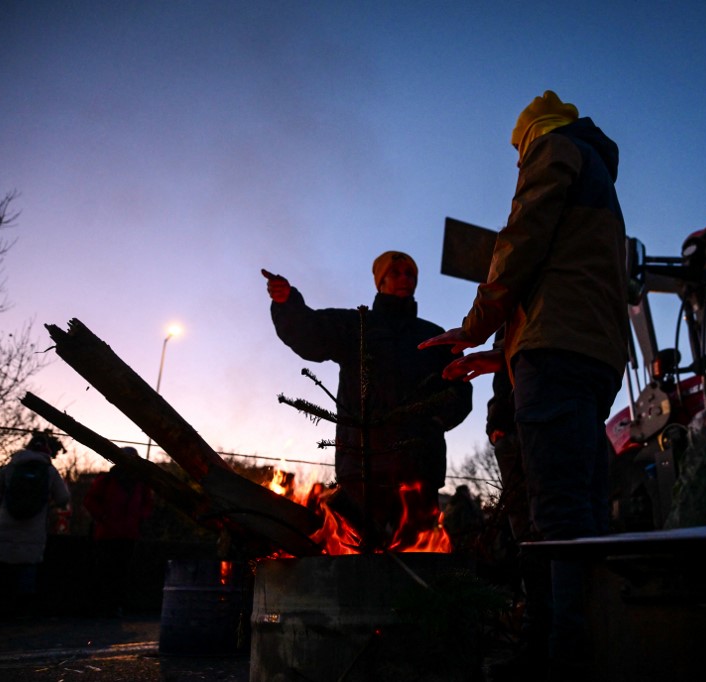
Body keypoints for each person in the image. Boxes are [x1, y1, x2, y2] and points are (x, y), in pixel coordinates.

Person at [419, 90, 629, 680]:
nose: (518, 163)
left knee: (555, 517)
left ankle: (561, 660)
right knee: (585, 512)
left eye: (518, 152)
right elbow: (564, 284)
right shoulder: (600, 181)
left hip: (555, 357)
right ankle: (588, 648)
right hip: (594, 356)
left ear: (531, 134)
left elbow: (520, 242)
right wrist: (497, 357)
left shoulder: (554, 148)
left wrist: (471, 326)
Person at [263, 250, 473, 547]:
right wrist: (287, 303)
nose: (404, 279)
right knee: (355, 553)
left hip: (419, 468)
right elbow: (310, 333)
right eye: (396, 272)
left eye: (410, 273)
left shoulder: (434, 336)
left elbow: (460, 388)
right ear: (380, 281)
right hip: (361, 467)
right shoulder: (357, 325)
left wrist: (434, 423)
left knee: (418, 553)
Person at [0, 433, 71, 616]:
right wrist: (46, 504)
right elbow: (63, 498)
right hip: (33, 530)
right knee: (26, 571)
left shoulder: (11, 467)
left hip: (4, 527)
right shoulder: (50, 471)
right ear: (48, 452)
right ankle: (21, 614)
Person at [83, 453, 154, 616]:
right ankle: (111, 605)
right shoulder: (136, 482)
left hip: (115, 532)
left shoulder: (116, 480)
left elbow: (90, 501)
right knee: (113, 570)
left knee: (114, 571)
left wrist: (102, 516)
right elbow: (147, 504)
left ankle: (110, 605)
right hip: (117, 533)